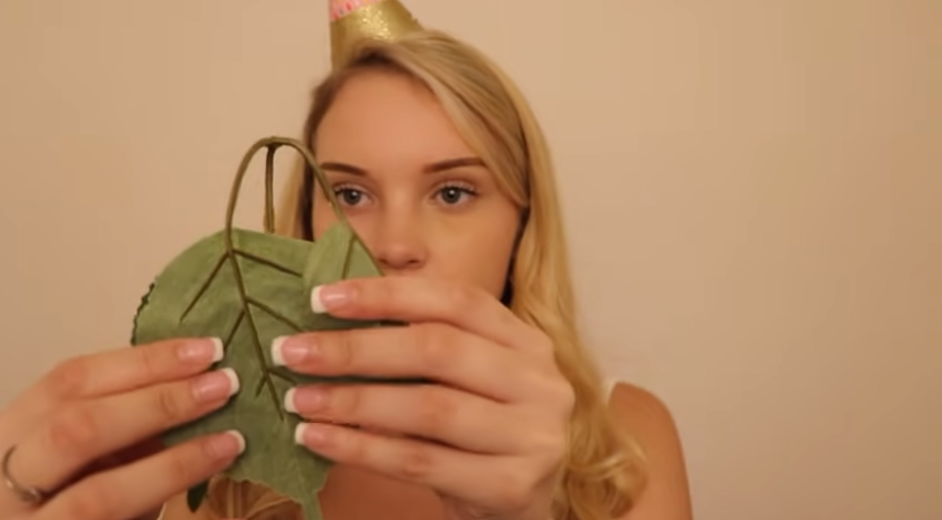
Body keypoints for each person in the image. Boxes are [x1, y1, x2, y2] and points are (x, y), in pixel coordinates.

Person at [0, 1, 692, 519]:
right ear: (305, 220)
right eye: (351, 192)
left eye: (452, 191)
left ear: (523, 224)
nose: (392, 244)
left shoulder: (624, 443)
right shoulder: (216, 444)